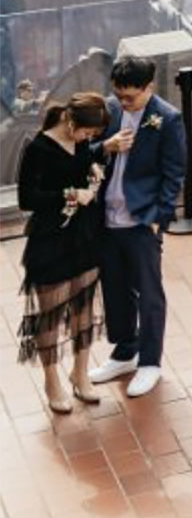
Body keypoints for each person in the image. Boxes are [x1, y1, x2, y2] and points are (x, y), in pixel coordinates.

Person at [86, 56, 186, 400]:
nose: (123, 102)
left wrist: (159, 217)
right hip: (106, 218)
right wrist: (105, 147)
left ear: (148, 88)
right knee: (114, 287)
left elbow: (174, 172)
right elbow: (86, 149)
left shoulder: (168, 119)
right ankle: (125, 351)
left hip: (141, 219)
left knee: (148, 291)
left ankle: (150, 361)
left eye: (130, 97)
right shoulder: (109, 110)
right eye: (119, 94)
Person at [15, 93, 110, 413]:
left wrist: (93, 170)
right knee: (51, 315)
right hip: (51, 240)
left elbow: (82, 165)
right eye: (88, 133)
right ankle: (51, 379)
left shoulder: (81, 142)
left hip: (84, 234)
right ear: (71, 122)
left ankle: (80, 373)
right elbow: (27, 198)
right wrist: (70, 194)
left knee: (84, 307)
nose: (90, 139)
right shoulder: (37, 149)